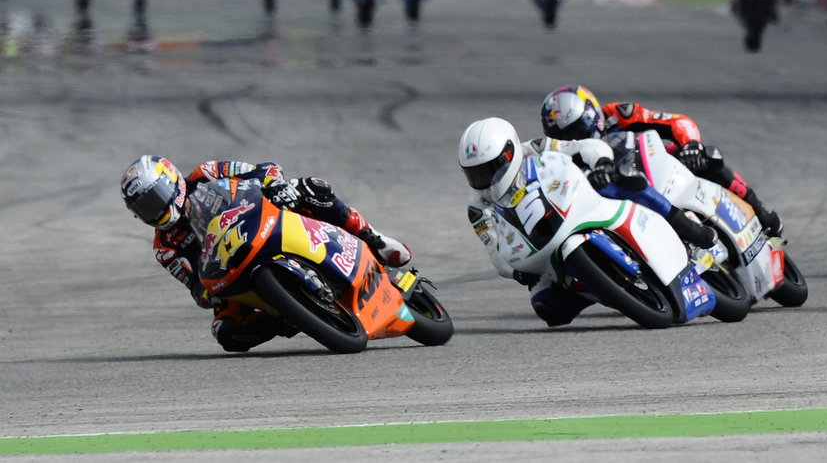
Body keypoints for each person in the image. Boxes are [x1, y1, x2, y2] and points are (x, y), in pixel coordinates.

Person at [119, 154, 410, 352]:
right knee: (226, 332)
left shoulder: (206, 173)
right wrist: (208, 295)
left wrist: (275, 184)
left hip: (263, 220)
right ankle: (291, 315)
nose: (153, 212)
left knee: (310, 188)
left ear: (171, 182)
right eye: (143, 209)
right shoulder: (165, 248)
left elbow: (264, 169)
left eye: (153, 200)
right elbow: (194, 286)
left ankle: (372, 238)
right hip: (233, 270)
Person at [460, 116, 718, 327]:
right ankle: (606, 286)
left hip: (573, 197)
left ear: (510, 152)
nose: (484, 179)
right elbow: (493, 248)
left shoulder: (535, 147)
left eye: (489, 169)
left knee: (624, 181)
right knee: (548, 309)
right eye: (475, 174)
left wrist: (602, 163)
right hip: (540, 244)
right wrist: (514, 272)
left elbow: (583, 146)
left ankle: (685, 226)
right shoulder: (477, 206)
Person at [539, 85, 785, 236]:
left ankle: (757, 206)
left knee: (706, 156)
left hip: (660, 171)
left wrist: (691, 145)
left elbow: (676, 121)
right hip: (624, 201)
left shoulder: (618, 114)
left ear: (592, 113)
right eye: (565, 136)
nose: (576, 138)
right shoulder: (565, 157)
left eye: (578, 128)